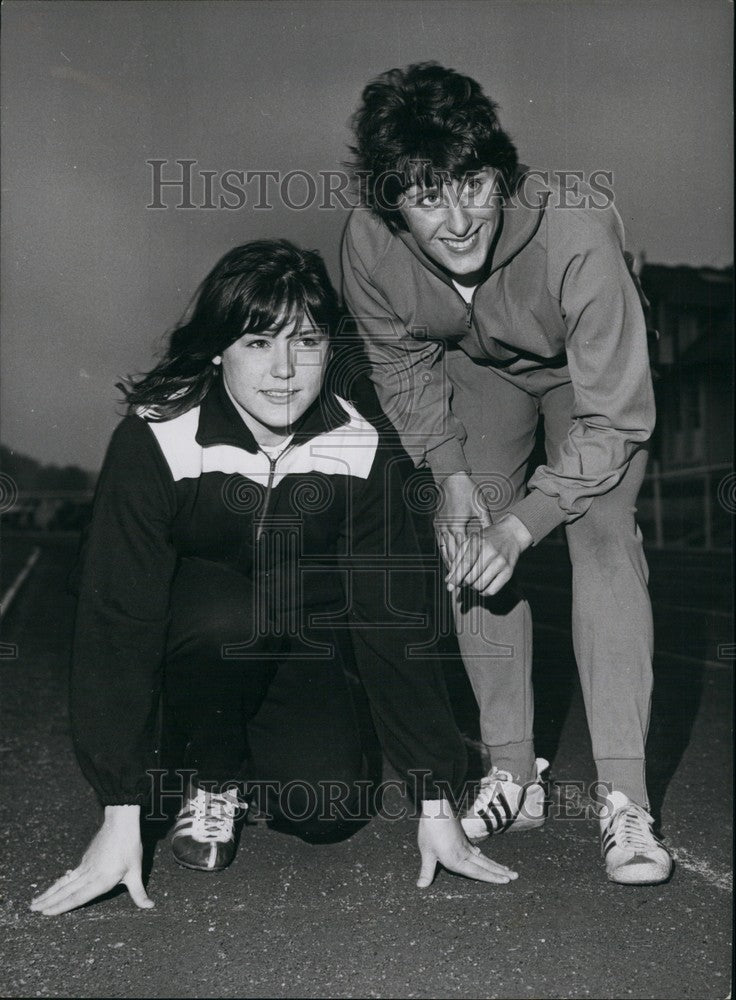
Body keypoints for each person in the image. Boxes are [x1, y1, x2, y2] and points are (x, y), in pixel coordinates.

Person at [30, 239, 518, 917]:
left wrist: (437, 802)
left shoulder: (360, 445)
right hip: (192, 640)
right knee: (230, 616)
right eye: (258, 343)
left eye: (307, 342)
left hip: (293, 638)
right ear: (217, 350)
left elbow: (391, 620)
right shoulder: (158, 435)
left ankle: (245, 759)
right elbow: (118, 616)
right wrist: (119, 810)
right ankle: (208, 775)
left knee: (330, 807)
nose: (285, 370)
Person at [342, 62, 672, 885]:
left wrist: (526, 524)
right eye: (426, 199)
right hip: (480, 374)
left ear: (501, 172)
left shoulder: (575, 230)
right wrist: (451, 474)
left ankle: (626, 799)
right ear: (391, 206)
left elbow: (616, 419)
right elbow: (401, 363)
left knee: (600, 532)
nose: (457, 222)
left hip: (586, 387)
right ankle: (512, 771)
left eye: (473, 186)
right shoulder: (369, 245)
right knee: (468, 531)